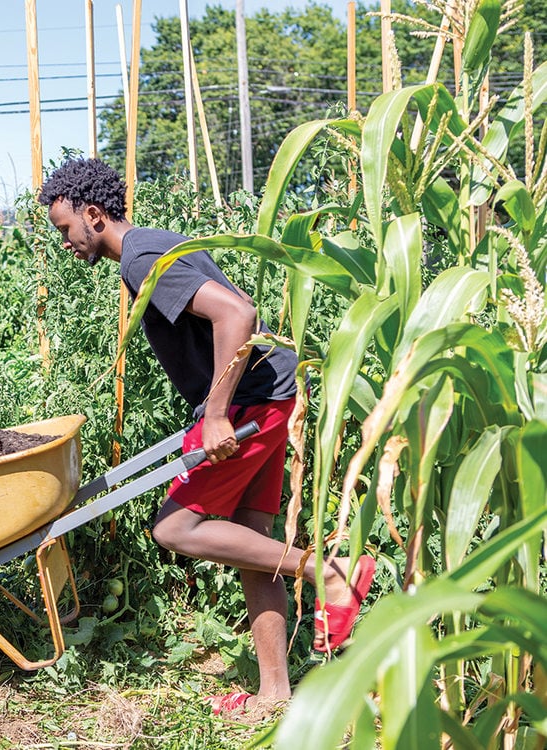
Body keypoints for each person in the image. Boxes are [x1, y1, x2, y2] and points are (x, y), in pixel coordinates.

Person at [38, 158, 375, 714]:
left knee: (174, 528)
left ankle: (330, 573)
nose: (66, 243)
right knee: (251, 541)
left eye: (65, 229)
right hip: (270, 389)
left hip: (252, 402)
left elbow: (237, 313)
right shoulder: (152, 245)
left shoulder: (144, 257)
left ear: (93, 215)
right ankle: (274, 693)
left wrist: (215, 412)